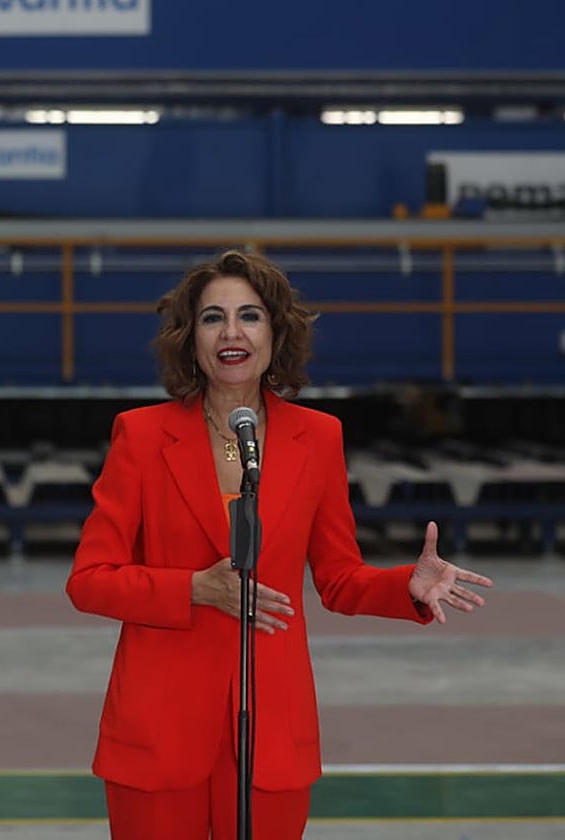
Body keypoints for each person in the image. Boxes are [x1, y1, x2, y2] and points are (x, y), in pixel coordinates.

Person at [65, 249, 494, 840]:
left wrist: (407, 587)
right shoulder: (140, 437)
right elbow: (89, 580)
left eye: (251, 315)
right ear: (191, 339)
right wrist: (194, 588)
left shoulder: (318, 438)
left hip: (270, 733)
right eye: (213, 318)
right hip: (158, 728)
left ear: (276, 334)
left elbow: (340, 579)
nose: (232, 331)